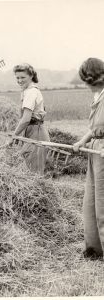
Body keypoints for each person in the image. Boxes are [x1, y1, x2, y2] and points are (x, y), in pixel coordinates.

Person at [73, 57, 104, 260]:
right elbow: (94, 129)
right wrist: (81, 142)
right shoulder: (97, 97)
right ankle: (94, 248)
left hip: (103, 151)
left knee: (103, 200)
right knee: (91, 199)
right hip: (95, 149)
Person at [9, 63, 50, 175]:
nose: (20, 80)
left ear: (31, 76)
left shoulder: (32, 92)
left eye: (23, 77)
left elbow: (26, 118)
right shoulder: (26, 91)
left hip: (36, 132)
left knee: (35, 174)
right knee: (30, 168)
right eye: (17, 77)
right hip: (31, 130)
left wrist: (14, 135)